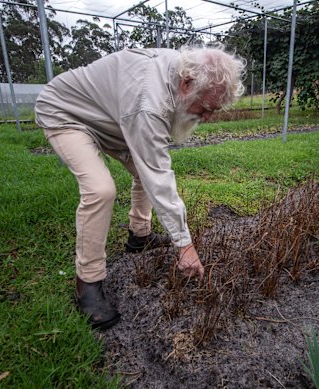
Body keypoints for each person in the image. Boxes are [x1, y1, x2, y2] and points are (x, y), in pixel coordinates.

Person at [34, 44, 246, 330]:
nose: (207, 117)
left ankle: (139, 237)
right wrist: (185, 246)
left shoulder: (180, 70)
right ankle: (88, 283)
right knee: (100, 189)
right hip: (66, 112)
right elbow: (158, 175)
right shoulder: (149, 100)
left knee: (144, 173)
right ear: (187, 83)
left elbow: (152, 169)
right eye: (206, 107)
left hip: (112, 119)